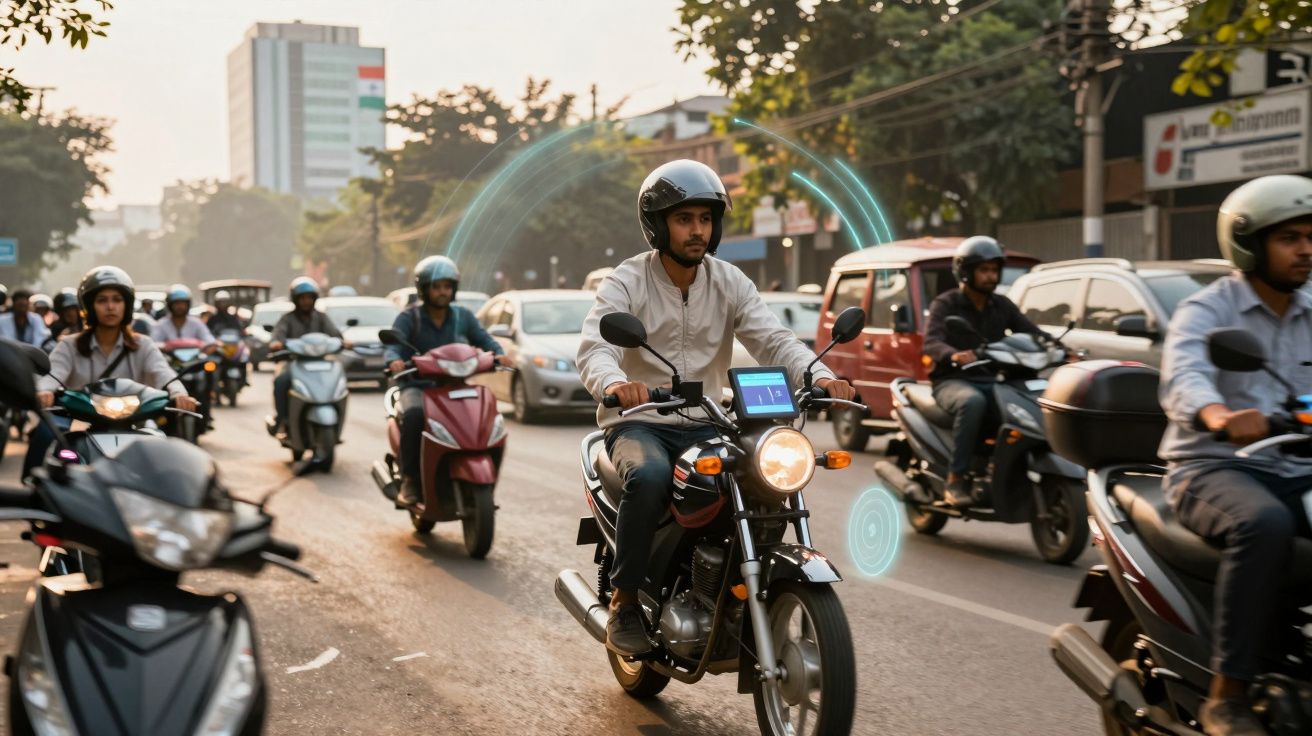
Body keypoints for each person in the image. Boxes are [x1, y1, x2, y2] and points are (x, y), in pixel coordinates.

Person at [577, 159, 856, 657]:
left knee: (759, 477)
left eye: (705, 219)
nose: (697, 230)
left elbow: (773, 339)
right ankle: (624, 601)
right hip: (643, 423)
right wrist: (617, 384)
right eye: (685, 219)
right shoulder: (628, 280)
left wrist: (819, 376)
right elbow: (597, 346)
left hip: (710, 421)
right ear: (658, 224)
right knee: (650, 478)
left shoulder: (729, 282)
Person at [1159, 174, 1312, 736]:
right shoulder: (1206, 310)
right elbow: (1185, 377)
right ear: (1250, 244)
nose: (1306, 249)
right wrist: (1219, 416)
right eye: (1290, 238)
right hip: (1211, 467)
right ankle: (1228, 693)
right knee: (1264, 525)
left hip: (1295, 464)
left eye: (1310, 236)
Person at [25, 267, 199, 479]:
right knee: (46, 434)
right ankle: (35, 488)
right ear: (89, 306)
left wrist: (179, 394)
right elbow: (52, 376)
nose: (110, 307)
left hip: (138, 422)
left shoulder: (142, 344)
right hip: (81, 422)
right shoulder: (69, 346)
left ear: (126, 305)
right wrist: (44, 392)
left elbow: (164, 373)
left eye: (117, 299)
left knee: (173, 456)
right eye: (102, 300)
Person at [921, 236, 1043, 508]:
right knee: (972, 402)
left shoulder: (1001, 305)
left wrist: (1060, 349)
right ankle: (956, 478)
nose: (991, 276)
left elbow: (1030, 331)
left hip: (993, 379)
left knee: (1026, 404)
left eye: (994, 270)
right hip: (952, 380)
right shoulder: (946, 303)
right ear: (965, 272)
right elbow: (931, 342)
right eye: (984, 270)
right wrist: (952, 355)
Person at [385, 256, 512, 506]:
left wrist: (498, 354)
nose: (442, 292)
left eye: (447, 286)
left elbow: (483, 339)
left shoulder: (462, 316)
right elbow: (394, 345)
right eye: (436, 286)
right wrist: (394, 361)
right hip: (417, 386)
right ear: (423, 289)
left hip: (454, 385)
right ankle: (410, 479)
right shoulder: (409, 317)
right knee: (413, 415)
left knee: (483, 412)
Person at [268, 277, 345, 436]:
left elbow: (335, 335)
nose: (306, 301)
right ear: (296, 300)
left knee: (339, 379)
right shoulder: (287, 318)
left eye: (309, 298)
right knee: (281, 380)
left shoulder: (321, 317)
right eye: (302, 298)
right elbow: (277, 335)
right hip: (293, 361)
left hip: (320, 361)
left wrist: (343, 342)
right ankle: (282, 418)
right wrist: (276, 343)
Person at [150, 284, 217, 346]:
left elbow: (210, 341)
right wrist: (166, 346)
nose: (180, 307)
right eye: (176, 303)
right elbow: (154, 344)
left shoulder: (196, 323)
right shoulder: (161, 325)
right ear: (170, 305)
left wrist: (200, 347)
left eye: (183, 303)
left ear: (188, 304)